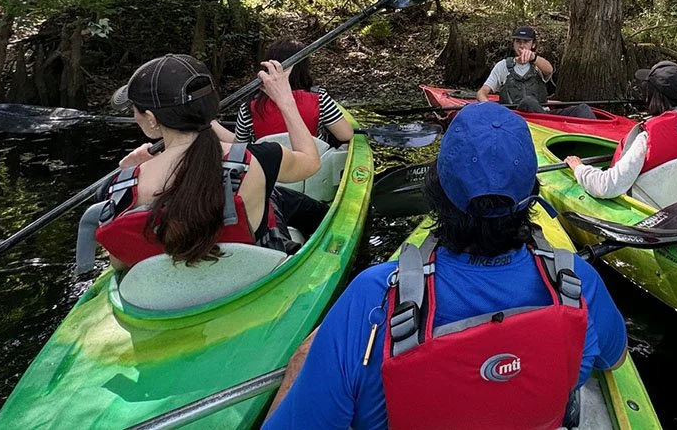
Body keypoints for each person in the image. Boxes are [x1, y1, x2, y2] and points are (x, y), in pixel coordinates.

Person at [263, 103, 628, 429]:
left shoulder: (373, 296)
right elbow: (614, 358)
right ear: (531, 193)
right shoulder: (575, 280)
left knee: (308, 351)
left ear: (436, 192)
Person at [95, 54, 327, 271]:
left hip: (167, 301)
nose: (134, 116)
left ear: (152, 119)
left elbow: (121, 264)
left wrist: (129, 174)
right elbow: (310, 162)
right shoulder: (257, 160)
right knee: (275, 195)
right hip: (248, 281)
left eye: (135, 109)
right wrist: (285, 100)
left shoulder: (121, 187)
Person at [565, 61, 677, 206]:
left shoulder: (646, 137)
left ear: (653, 95)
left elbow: (607, 186)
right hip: (674, 206)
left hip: (642, 211)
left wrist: (579, 168)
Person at [231, 38, 354, 147]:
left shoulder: (248, 107)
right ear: (303, 68)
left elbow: (239, 147)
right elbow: (345, 135)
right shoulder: (320, 97)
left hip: (268, 171)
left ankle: (213, 124)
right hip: (314, 168)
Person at [477, 25, 595, 119]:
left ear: (533, 44)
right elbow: (481, 93)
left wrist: (533, 58)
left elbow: (549, 69)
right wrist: (490, 108)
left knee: (583, 109)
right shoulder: (502, 66)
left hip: (544, 115)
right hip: (515, 116)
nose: (521, 46)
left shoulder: (538, 63)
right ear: (513, 44)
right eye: (518, 41)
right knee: (528, 101)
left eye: (526, 42)